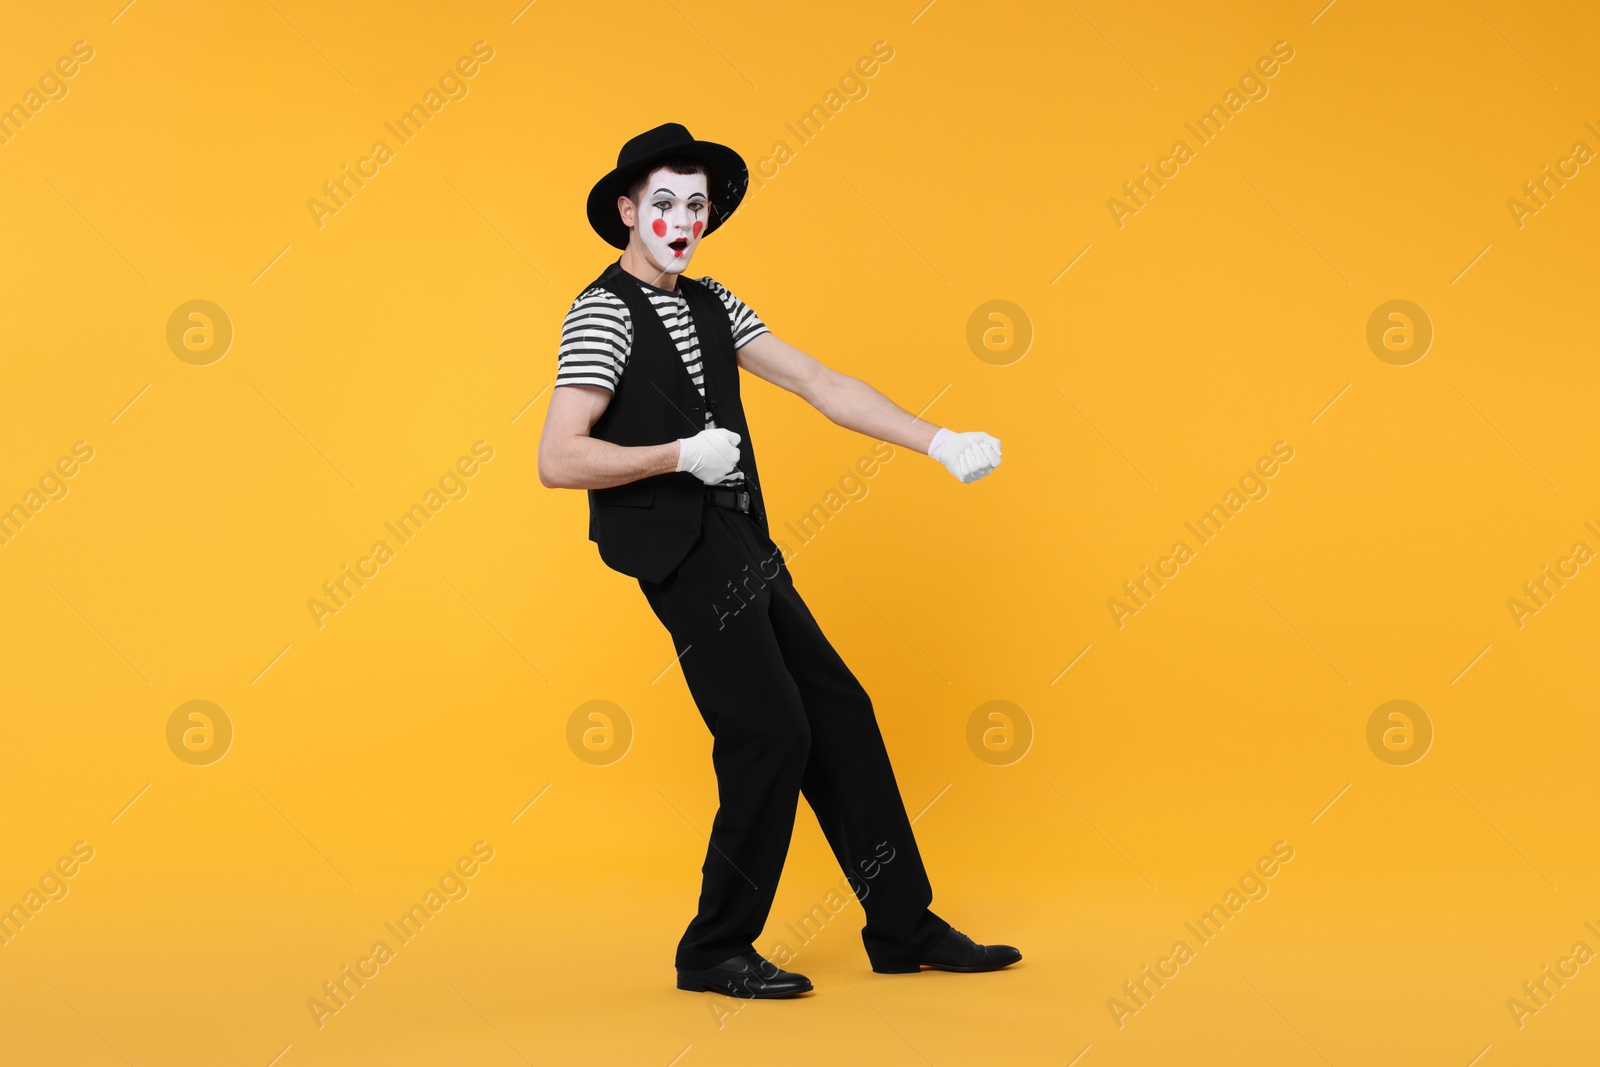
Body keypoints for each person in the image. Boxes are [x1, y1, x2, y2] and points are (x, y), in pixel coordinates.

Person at [538, 122, 1021, 998]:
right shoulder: (602, 312)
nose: (683, 220)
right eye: (664, 204)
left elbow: (820, 382)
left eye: (697, 205)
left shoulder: (715, 302)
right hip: (680, 548)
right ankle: (715, 947)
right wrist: (678, 455)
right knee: (771, 731)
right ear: (626, 210)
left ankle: (902, 925)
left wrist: (938, 439)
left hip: (743, 540)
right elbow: (558, 458)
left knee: (840, 711)